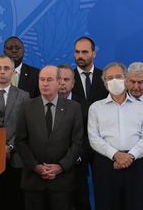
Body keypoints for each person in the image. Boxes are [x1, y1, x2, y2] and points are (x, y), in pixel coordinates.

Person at [15, 65, 83, 210]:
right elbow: (20, 141)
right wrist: (35, 166)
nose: (45, 83)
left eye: (49, 80)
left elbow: (77, 143)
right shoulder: (27, 106)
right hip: (33, 181)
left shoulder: (74, 108)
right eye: (42, 79)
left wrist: (61, 167)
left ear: (59, 82)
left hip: (62, 182)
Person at [88, 62, 143, 210]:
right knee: (106, 204)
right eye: (110, 78)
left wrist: (130, 156)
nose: (114, 81)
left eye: (118, 77)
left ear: (126, 79)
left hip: (136, 164)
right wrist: (116, 155)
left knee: (135, 204)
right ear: (105, 84)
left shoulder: (140, 107)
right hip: (106, 164)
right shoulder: (96, 108)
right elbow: (94, 138)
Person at [0, 55, 29, 210]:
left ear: (13, 71)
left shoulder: (24, 96)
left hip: (16, 159)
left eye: (6, 68)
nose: (2, 72)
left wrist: (9, 147)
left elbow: (25, 127)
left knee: (14, 202)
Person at [57, 64, 91, 210]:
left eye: (66, 79)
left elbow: (90, 136)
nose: (62, 82)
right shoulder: (42, 104)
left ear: (73, 82)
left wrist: (75, 157)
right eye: (59, 79)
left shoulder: (85, 105)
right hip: (52, 169)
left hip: (77, 167)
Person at [72, 36, 108, 104]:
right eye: (77, 52)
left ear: (94, 54)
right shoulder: (68, 79)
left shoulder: (105, 77)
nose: (80, 56)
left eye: (84, 52)